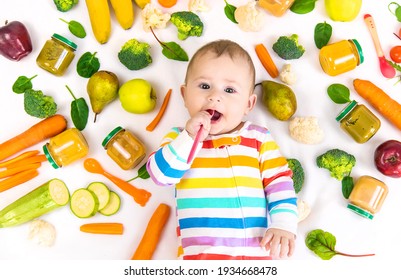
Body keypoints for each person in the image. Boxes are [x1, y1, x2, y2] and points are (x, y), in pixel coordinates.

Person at [146, 39, 298, 260]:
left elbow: (279, 182)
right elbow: (160, 175)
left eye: (229, 90)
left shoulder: (258, 138)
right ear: (185, 95)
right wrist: (189, 136)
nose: (215, 96)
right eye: (204, 86)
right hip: (198, 257)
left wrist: (284, 224)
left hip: (254, 254)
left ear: (248, 104)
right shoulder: (179, 138)